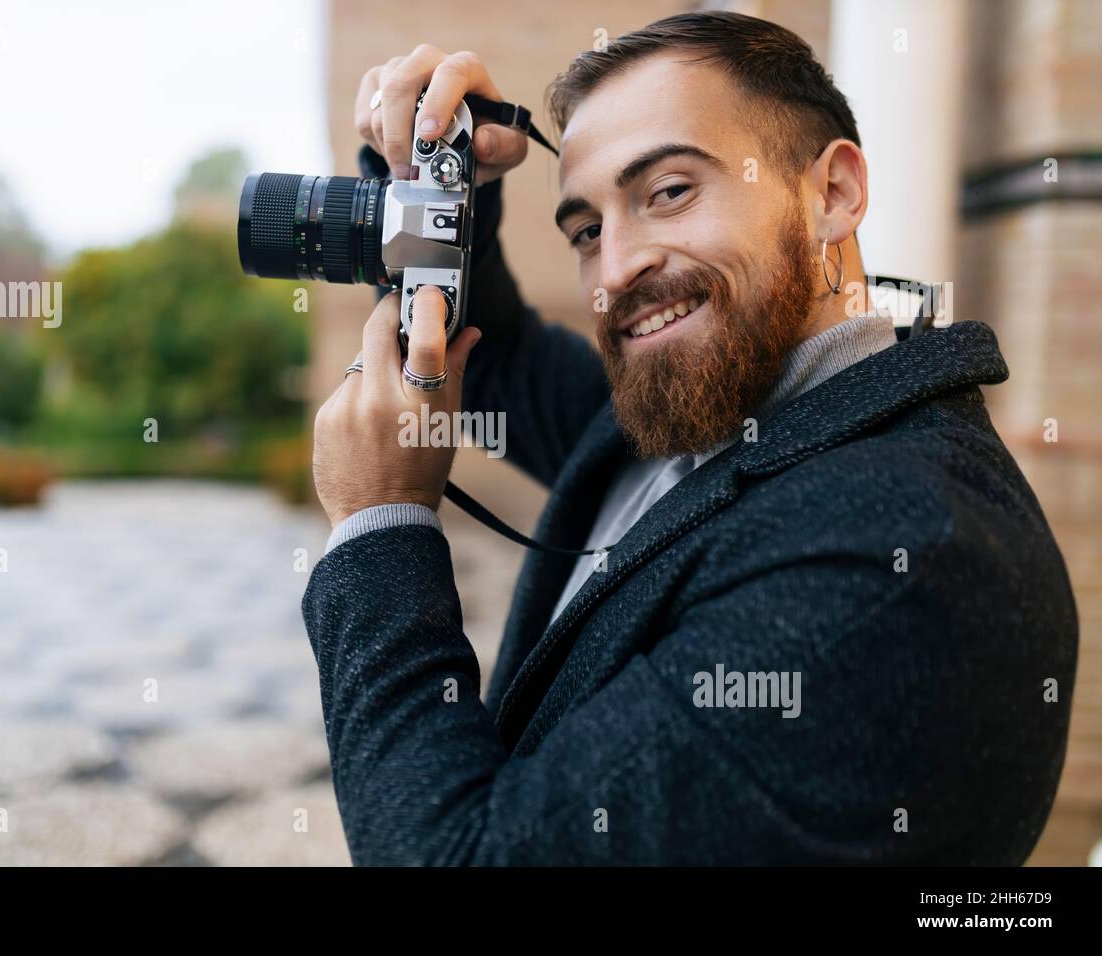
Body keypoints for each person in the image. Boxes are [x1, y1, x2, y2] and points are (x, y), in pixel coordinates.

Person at [302, 12, 1078, 865]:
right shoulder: (712, 405)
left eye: (669, 191)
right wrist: (438, 183)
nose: (617, 268)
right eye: (587, 230)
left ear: (832, 193)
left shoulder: (891, 563)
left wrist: (380, 524)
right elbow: (503, 362)